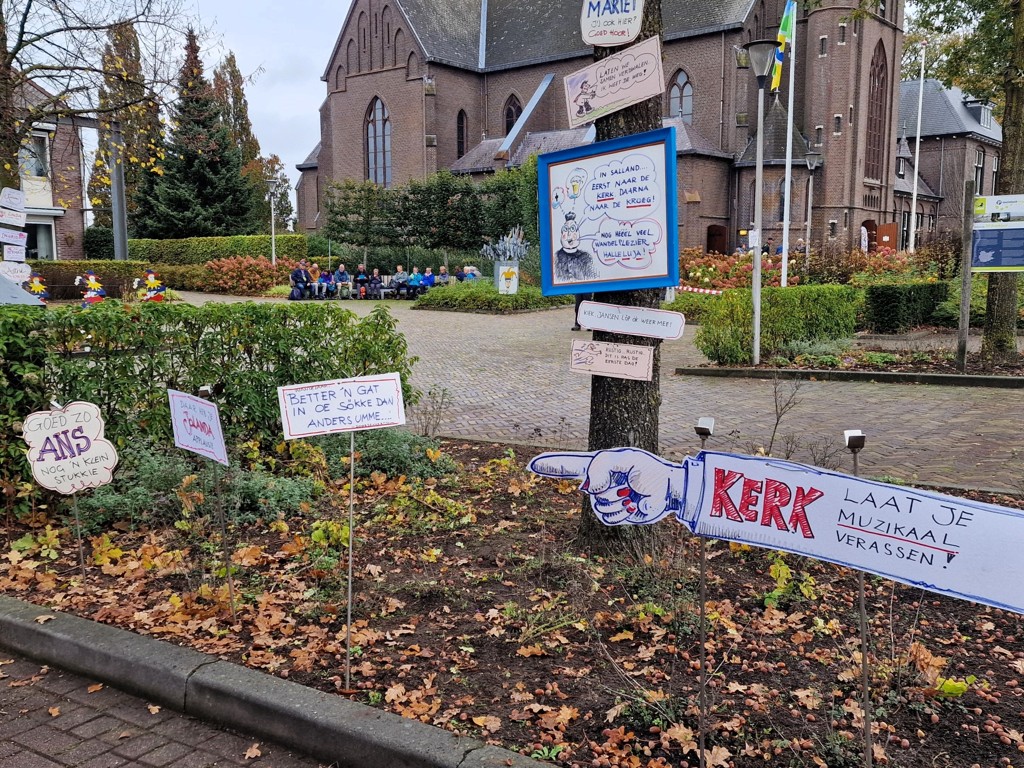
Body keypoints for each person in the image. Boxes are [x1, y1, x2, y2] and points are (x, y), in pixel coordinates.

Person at [555, 212, 597, 281]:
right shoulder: (556, 258)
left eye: (572, 229)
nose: (569, 234)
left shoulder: (586, 258)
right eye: (565, 229)